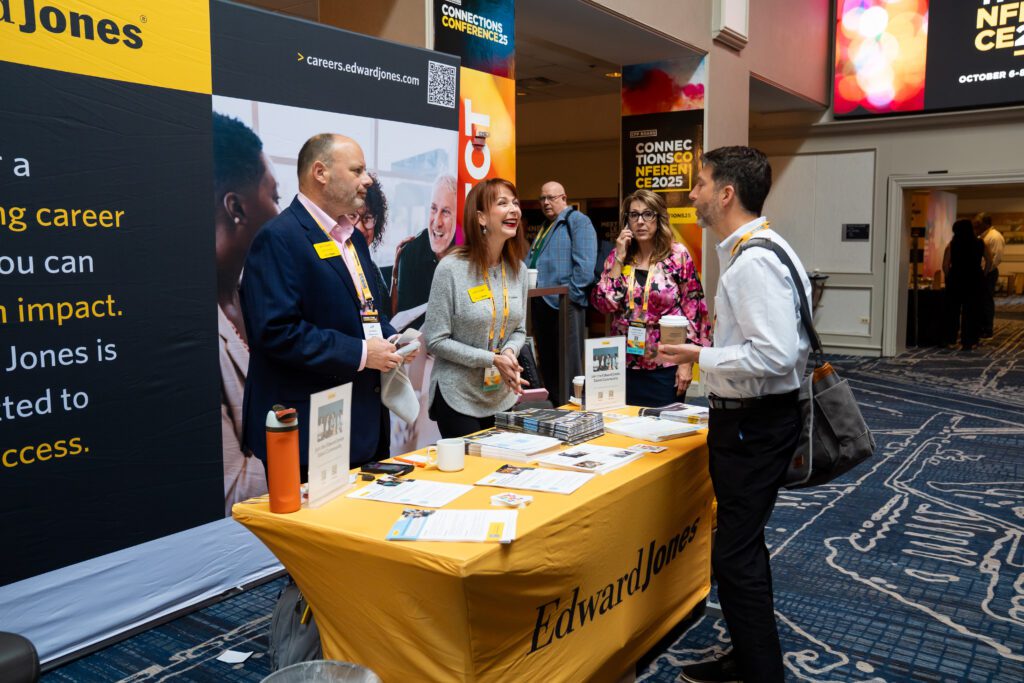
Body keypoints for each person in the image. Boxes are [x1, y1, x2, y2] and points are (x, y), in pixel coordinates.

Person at [658, 146, 812, 683]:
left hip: (753, 425)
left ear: (726, 194)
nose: (693, 193)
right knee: (741, 546)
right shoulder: (765, 249)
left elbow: (774, 356)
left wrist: (700, 356)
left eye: (700, 183)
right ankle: (748, 657)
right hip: (758, 420)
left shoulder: (754, 262)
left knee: (735, 555)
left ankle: (760, 671)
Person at [240, 133, 412, 475]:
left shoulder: (353, 240)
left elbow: (365, 310)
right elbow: (277, 332)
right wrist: (363, 353)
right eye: (357, 170)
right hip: (308, 433)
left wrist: (392, 339)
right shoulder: (278, 239)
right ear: (321, 172)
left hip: (363, 425)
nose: (367, 180)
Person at [423, 178, 529, 438]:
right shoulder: (451, 269)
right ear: (481, 217)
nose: (513, 210)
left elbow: (519, 330)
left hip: (501, 395)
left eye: (515, 203)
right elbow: (435, 340)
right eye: (502, 203)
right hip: (457, 396)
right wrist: (492, 359)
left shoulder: (519, 270)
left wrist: (509, 352)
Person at [212, 112, 279, 515]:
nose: (281, 216)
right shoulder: (186, 335)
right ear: (237, 207)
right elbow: (232, 490)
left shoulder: (255, 298)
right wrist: (326, 451)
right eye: (275, 197)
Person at [590, 189, 710, 407]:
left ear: (659, 218)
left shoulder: (677, 256)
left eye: (647, 214)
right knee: (620, 424)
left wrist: (686, 363)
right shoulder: (618, 256)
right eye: (634, 215)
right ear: (627, 220)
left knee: (663, 424)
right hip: (620, 364)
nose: (640, 221)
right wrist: (619, 258)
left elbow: (695, 310)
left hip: (664, 363)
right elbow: (604, 304)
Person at [527, 181, 597, 405]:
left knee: (568, 368)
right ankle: (555, 408)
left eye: (551, 197)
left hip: (565, 304)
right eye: (542, 198)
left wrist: (571, 298)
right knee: (548, 365)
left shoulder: (578, 221)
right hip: (542, 303)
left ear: (564, 198)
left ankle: (570, 411)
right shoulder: (546, 226)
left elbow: (585, 268)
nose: (546, 202)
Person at [392, 174, 457, 327]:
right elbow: (402, 323)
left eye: (446, 212)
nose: (437, 222)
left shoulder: (468, 252)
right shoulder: (411, 253)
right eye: (433, 209)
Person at [942, 219, 985, 351]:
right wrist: (983, 274)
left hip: (956, 279)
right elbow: (989, 260)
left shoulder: (952, 244)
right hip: (974, 280)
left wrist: (949, 277)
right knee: (971, 311)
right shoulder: (980, 243)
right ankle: (969, 341)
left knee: (953, 311)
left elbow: (945, 265)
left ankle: (951, 339)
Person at [349, 173, 390, 296]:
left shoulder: (373, 269)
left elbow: (385, 307)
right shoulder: (335, 269)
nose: (360, 229)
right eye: (352, 216)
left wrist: (395, 277)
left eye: (367, 218)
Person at [974, 212, 1004, 338]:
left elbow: (996, 258)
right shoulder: (981, 236)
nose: (975, 225)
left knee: (986, 301)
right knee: (979, 301)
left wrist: (984, 273)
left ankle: (987, 329)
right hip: (981, 272)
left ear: (985, 223)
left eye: (978, 223)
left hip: (988, 273)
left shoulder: (995, 236)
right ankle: (980, 327)